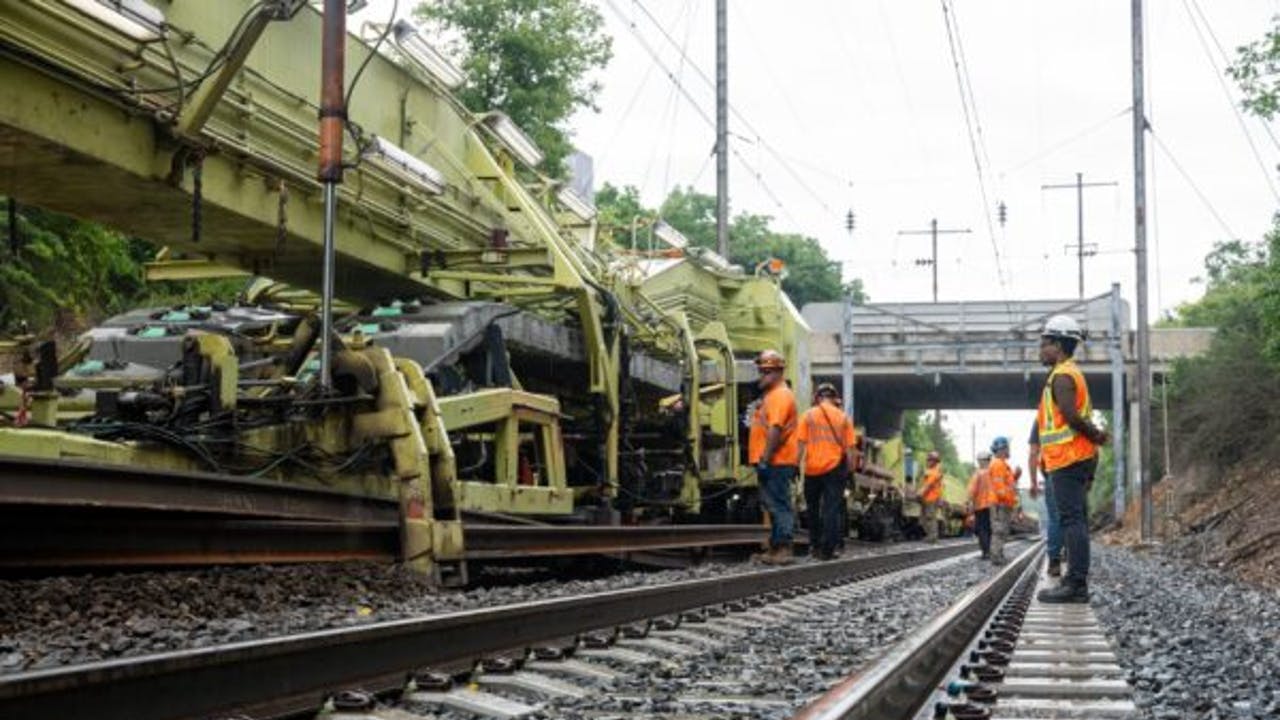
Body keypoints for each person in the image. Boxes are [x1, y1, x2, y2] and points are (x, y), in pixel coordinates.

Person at [1035, 315, 1109, 603]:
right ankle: (1074, 581)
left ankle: (1076, 584)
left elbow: (1070, 416)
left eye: (1044, 344)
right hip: (1072, 458)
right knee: (1075, 519)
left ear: (1059, 345)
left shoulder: (1063, 376)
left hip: (1069, 459)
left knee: (1072, 520)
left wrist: (1097, 435)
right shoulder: (1068, 373)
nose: (1041, 350)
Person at [749, 349, 800, 565]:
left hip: (777, 461)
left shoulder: (780, 395)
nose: (762, 376)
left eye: (767, 372)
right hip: (775, 460)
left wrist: (765, 459)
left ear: (779, 372)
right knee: (773, 504)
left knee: (779, 504)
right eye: (761, 371)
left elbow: (775, 429)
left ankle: (783, 549)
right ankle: (776, 548)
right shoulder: (773, 396)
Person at [797, 383, 858, 560]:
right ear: (834, 398)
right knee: (831, 509)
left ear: (818, 397)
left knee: (812, 509)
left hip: (812, 469)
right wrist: (851, 470)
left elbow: (800, 444)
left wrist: (795, 465)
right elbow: (850, 450)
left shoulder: (807, 416)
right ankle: (828, 550)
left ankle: (814, 546)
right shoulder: (843, 418)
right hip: (835, 469)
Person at [1027, 422, 1064, 577]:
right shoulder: (1077, 410)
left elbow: (1033, 453)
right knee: (1075, 518)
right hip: (1076, 473)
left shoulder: (1043, 417)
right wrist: (1090, 476)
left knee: (1055, 518)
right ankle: (1076, 563)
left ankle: (1054, 562)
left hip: (1053, 473)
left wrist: (1034, 482)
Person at [987, 436, 1022, 565]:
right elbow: (999, 487)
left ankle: (999, 554)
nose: (1009, 450)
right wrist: (1006, 501)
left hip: (1003, 503)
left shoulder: (1003, 465)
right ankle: (996, 557)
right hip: (999, 503)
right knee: (999, 530)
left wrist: (1016, 476)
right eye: (1007, 447)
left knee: (1002, 530)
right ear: (1002, 449)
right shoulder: (997, 464)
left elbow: (1008, 483)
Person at [967, 450, 995, 559]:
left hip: (981, 506)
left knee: (982, 529)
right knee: (991, 529)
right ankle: (993, 551)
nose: (978, 463)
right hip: (993, 506)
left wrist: (969, 502)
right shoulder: (994, 472)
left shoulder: (978, 474)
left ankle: (986, 552)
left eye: (979, 461)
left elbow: (972, 490)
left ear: (982, 461)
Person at [917, 451, 944, 543]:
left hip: (931, 498)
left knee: (930, 517)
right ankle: (930, 536)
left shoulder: (935, 472)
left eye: (930, 460)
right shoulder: (930, 471)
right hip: (927, 498)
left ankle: (932, 537)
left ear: (935, 462)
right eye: (928, 460)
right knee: (924, 518)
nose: (928, 462)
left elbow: (928, 485)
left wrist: (920, 492)